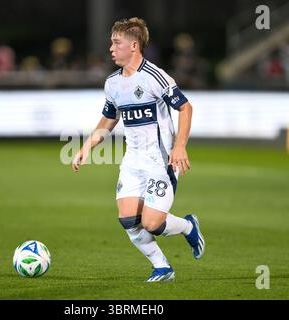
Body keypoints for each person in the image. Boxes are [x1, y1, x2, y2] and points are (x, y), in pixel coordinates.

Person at [71, 17, 205, 282]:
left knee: (152, 224)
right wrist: (88, 145)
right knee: (128, 220)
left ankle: (188, 226)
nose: (110, 48)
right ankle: (162, 267)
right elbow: (110, 118)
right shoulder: (112, 83)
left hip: (160, 161)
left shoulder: (155, 76)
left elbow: (185, 107)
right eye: (111, 42)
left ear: (134, 45)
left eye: (116, 42)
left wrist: (179, 146)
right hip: (132, 162)